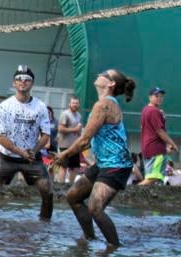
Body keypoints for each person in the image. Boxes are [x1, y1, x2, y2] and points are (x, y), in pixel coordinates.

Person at [52, 69, 136, 247]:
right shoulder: (104, 103)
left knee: (95, 207)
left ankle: (115, 248)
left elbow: (84, 141)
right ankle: (89, 238)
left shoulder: (104, 104)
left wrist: (63, 155)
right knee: (73, 196)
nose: (99, 74)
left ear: (111, 84)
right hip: (104, 163)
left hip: (117, 164)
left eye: (104, 73)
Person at [0, 65, 53, 220]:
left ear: (32, 84)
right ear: (14, 83)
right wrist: (19, 151)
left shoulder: (40, 107)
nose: (23, 82)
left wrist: (34, 150)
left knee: (47, 191)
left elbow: (46, 135)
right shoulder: (5, 106)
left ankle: (45, 224)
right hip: (7, 158)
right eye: (19, 79)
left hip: (32, 158)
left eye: (27, 79)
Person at [139, 86, 178, 185]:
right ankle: (127, 194)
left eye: (161, 96)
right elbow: (159, 131)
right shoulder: (154, 111)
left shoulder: (146, 110)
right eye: (156, 96)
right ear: (150, 97)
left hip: (149, 148)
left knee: (155, 181)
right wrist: (173, 144)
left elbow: (147, 129)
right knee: (153, 179)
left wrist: (166, 146)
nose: (159, 98)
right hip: (156, 150)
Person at [57, 96, 83, 184]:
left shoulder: (79, 115)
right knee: (63, 166)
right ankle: (61, 185)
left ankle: (70, 185)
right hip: (65, 145)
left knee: (75, 167)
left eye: (76, 103)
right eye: (73, 103)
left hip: (75, 146)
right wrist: (74, 130)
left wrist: (81, 139)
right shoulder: (65, 114)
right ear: (69, 104)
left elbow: (79, 130)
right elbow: (60, 129)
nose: (75, 105)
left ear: (79, 104)